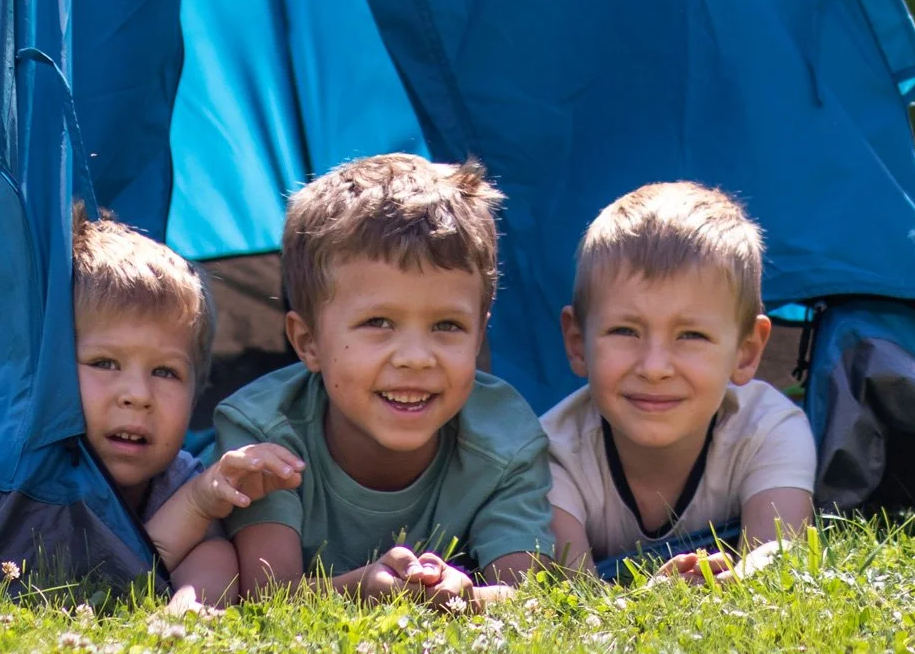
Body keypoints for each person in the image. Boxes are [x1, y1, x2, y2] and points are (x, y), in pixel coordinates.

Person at [214, 154, 554, 609]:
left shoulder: (504, 437)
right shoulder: (264, 436)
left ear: (479, 335)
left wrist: (470, 596)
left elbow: (529, 594)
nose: (415, 358)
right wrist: (359, 589)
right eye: (379, 322)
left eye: (448, 326)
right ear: (308, 341)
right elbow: (267, 596)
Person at [543, 182, 815, 582]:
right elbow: (571, 594)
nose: (655, 368)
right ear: (577, 342)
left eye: (691, 336)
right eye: (624, 331)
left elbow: (781, 551)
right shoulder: (552, 454)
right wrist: (651, 601)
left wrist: (738, 580)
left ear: (746, 350)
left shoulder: (769, 430)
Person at [72, 206, 302, 605]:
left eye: (165, 372)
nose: (138, 395)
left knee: (213, 548)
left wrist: (189, 602)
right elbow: (94, 578)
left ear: (197, 391)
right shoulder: (41, 473)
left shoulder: (174, 476)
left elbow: (209, 558)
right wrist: (195, 503)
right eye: (105, 363)